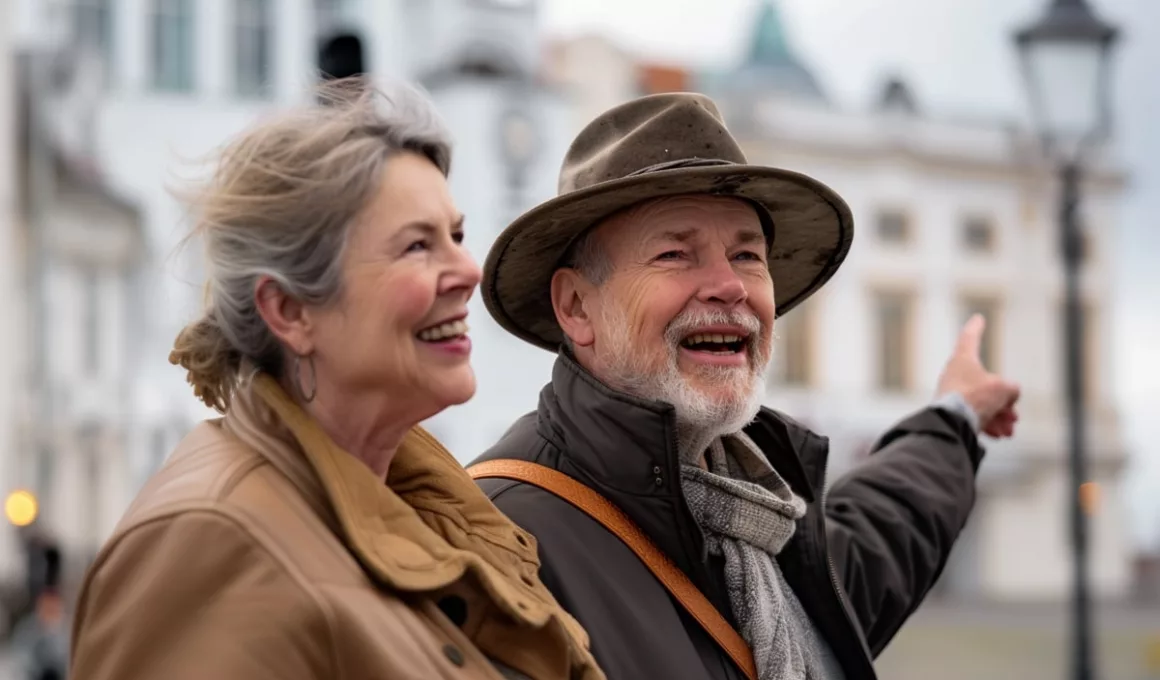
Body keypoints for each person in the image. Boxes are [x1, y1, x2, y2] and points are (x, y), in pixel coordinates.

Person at [470, 92, 1021, 680]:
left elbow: (878, 538)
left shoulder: (759, 517)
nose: (730, 286)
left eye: (746, 254)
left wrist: (956, 414)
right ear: (577, 306)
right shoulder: (499, 543)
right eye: (676, 253)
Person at [68, 82, 603, 680]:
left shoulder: (416, 502)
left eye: (454, 235)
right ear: (291, 311)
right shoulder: (213, 543)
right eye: (416, 246)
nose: (468, 269)